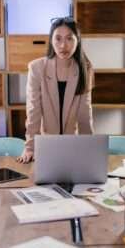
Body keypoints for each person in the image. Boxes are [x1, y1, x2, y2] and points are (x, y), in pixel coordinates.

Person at [17, 17, 94, 163]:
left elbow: (85, 115)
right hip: (45, 148)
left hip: (73, 148)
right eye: (58, 39)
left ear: (77, 40)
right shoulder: (37, 68)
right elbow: (33, 111)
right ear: (51, 41)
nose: (63, 45)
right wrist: (30, 148)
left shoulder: (85, 69)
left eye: (69, 39)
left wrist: (88, 149)